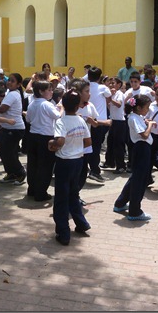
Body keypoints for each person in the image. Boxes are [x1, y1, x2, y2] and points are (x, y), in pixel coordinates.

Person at [48, 90, 92, 245]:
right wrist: (75, 145)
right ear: (78, 106)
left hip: (65, 162)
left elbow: (59, 141)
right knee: (73, 194)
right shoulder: (80, 121)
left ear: (63, 105)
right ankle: (81, 224)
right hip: (78, 161)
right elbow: (88, 142)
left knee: (61, 198)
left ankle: (63, 233)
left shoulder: (61, 121)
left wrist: (52, 144)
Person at [113, 95, 156, 221]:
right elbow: (144, 135)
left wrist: (146, 122)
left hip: (143, 149)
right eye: (146, 107)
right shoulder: (133, 118)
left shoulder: (137, 117)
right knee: (139, 181)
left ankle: (120, 203)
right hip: (141, 149)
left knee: (135, 178)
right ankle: (134, 211)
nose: (148, 109)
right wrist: (150, 125)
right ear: (138, 107)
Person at [25, 80, 62, 201]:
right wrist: (61, 108)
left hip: (33, 136)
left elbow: (28, 119)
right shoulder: (46, 104)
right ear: (41, 91)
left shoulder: (32, 104)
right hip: (45, 137)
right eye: (49, 90)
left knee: (33, 164)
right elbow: (58, 116)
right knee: (45, 166)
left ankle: (32, 189)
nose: (51, 92)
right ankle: (40, 193)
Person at [0, 73, 27, 185]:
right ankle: (11, 173)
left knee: (10, 153)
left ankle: (21, 172)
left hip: (15, 128)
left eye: (12, 81)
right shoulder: (10, 93)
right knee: (4, 152)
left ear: (18, 84)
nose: (9, 82)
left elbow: (3, 109)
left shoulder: (13, 94)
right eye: (9, 80)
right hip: (7, 127)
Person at [86, 67, 111, 183]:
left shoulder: (85, 88)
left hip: (88, 119)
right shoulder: (103, 88)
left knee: (88, 145)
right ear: (100, 77)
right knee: (96, 146)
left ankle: (89, 167)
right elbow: (109, 98)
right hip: (100, 121)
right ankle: (94, 170)